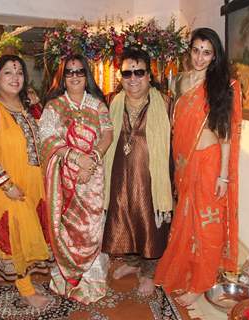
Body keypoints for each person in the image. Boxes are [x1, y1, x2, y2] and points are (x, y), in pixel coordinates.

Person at [154, 27, 242, 306]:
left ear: (215, 56)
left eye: (207, 52)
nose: (200, 58)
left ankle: (202, 282)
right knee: (187, 221)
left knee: (206, 224)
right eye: (196, 50)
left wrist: (223, 176)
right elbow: (177, 124)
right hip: (184, 164)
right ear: (189, 50)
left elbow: (225, 133)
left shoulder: (223, 85)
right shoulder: (180, 82)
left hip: (209, 163)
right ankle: (189, 272)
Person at [0, 55, 51, 308]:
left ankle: (23, 279)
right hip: (6, 189)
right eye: (8, 73)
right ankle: (26, 290)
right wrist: (7, 185)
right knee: (14, 236)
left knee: (28, 234)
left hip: (32, 184)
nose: (15, 77)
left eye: (19, 73)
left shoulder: (25, 109)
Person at [39, 54, 113, 304]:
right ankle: (65, 279)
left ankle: (90, 282)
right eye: (69, 72)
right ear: (62, 76)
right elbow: (47, 138)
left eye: (79, 71)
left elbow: (107, 135)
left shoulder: (97, 105)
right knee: (66, 229)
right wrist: (76, 159)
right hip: (64, 180)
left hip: (91, 179)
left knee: (92, 228)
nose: (74, 76)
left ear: (86, 75)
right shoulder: (54, 106)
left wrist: (90, 160)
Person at [102, 48, 173, 297]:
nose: (133, 78)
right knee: (124, 217)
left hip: (150, 176)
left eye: (139, 72)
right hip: (120, 173)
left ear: (149, 76)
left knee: (149, 224)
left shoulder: (164, 102)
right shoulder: (112, 101)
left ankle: (149, 272)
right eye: (127, 73)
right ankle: (132, 263)